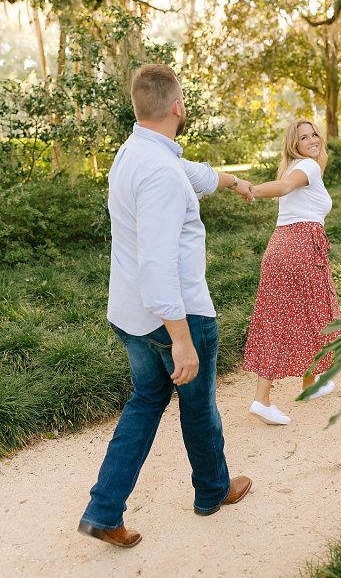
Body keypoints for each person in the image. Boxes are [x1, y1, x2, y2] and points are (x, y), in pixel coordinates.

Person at [79, 63, 253, 548]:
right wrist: (181, 339)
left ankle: (103, 510)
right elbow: (158, 265)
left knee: (147, 400)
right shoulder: (159, 172)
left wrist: (231, 182)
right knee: (198, 407)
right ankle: (213, 491)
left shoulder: (136, 152)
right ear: (177, 106)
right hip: (174, 314)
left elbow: (188, 171)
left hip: (129, 315)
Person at [242, 119, 340, 425]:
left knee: (283, 318)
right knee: (316, 313)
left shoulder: (296, 167)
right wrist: (252, 190)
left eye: (314, 134)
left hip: (279, 247)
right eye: (304, 137)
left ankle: (302, 384)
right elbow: (284, 188)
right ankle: (266, 397)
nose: (312, 139)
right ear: (294, 144)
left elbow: (285, 186)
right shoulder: (307, 167)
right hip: (301, 246)